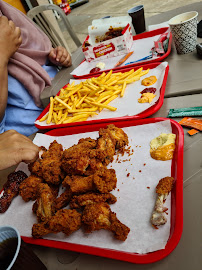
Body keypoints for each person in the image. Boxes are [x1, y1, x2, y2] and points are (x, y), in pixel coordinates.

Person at [0, 1, 72, 136]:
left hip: (65, 106)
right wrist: (2, 56)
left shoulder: (9, 18)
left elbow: (40, 57)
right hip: (35, 135)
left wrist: (55, 57)